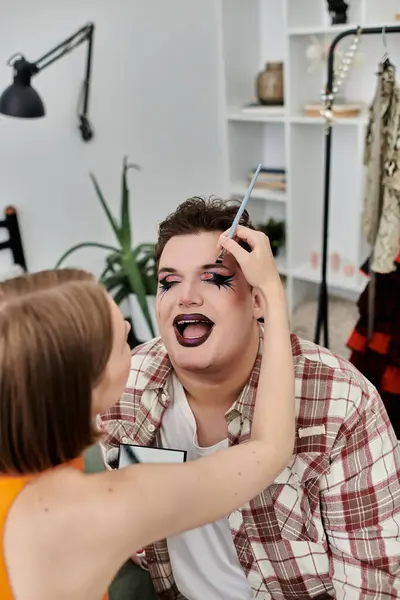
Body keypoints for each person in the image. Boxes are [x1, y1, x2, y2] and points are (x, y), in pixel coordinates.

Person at [99, 198, 400, 600]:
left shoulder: (342, 404)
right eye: (168, 282)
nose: (184, 297)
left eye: (214, 278)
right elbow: (133, 523)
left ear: (257, 299)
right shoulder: (126, 383)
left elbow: (372, 586)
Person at [0, 224, 294, 600]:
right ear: (86, 386)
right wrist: (272, 293)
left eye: (214, 279)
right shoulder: (98, 509)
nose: (130, 328)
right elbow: (270, 448)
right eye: (122, 339)